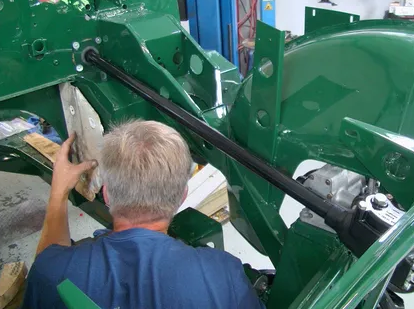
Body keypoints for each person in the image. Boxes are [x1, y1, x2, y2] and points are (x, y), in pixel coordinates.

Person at [22, 120, 264, 309]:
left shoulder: (51, 273)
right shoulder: (224, 276)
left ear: (106, 195)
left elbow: (48, 259)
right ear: (182, 197)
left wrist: (59, 193)